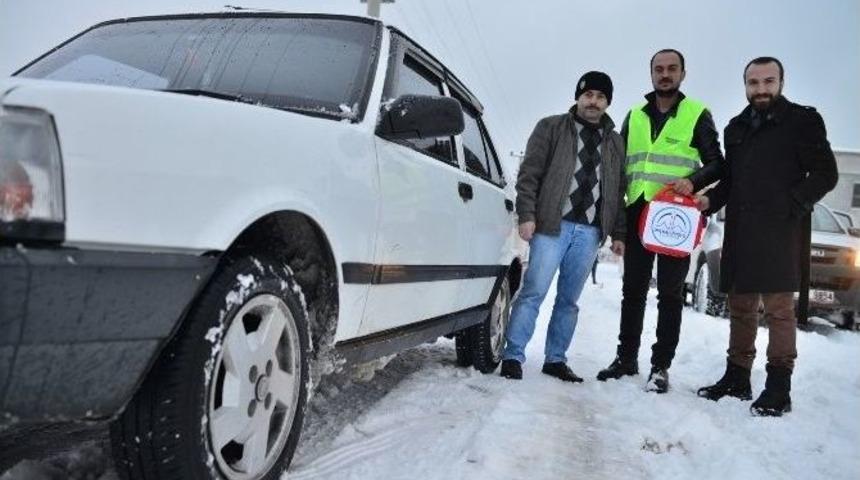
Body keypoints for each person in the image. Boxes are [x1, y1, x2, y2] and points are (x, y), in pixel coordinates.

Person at [683, 57, 837, 416]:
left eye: (768, 81)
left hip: (782, 230)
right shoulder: (736, 128)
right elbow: (732, 182)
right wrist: (707, 200)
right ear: (745, 86)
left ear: (781, 82)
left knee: (780, 310)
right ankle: (737, 377)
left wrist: (791, 204)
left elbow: (826, 174)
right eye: (754, 83)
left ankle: (778, 388)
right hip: (741, 229)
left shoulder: (802, 121)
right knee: (741, 305)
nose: (761, 89)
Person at [596, 49, 724, 393]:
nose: (664, 74)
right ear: (651, 73)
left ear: (683, 73)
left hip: (675, 216)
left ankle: (660, 367)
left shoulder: (697, 114)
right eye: (658, 69)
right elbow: (619, 170)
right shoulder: (634, 114)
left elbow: (718, 163)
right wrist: (618, 224)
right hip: (639, 210)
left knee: (670, 293)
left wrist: (694, 183)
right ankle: (626, 358)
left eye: (671, 69)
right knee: (632, 290)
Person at [500, 71, 626, 382]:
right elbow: (529, 174)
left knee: (569, 301)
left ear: (607, 102)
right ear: (578, 97)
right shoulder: (552, 127)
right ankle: (513, 356)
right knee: (534, 292)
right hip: (551, 227)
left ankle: (555, 359)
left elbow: (619, 188)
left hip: (589, 232)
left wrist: (618, 233)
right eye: (588, 95)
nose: (593, 101)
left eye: (600, 96)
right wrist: (526, 214)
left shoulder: (615, 142)